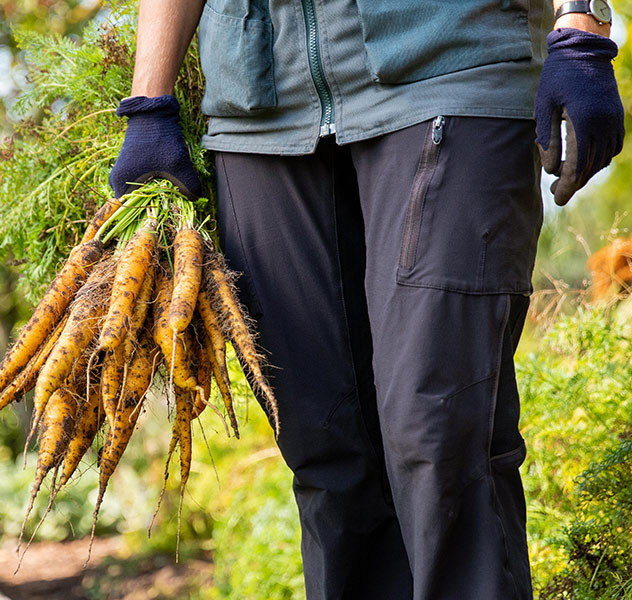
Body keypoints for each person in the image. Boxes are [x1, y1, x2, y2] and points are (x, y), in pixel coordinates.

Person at [107, 0, 625, 598]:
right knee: (325, 450)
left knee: (438, 432)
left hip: (448, 65)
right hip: (259, 106)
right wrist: (150, 101)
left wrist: (582, 21)